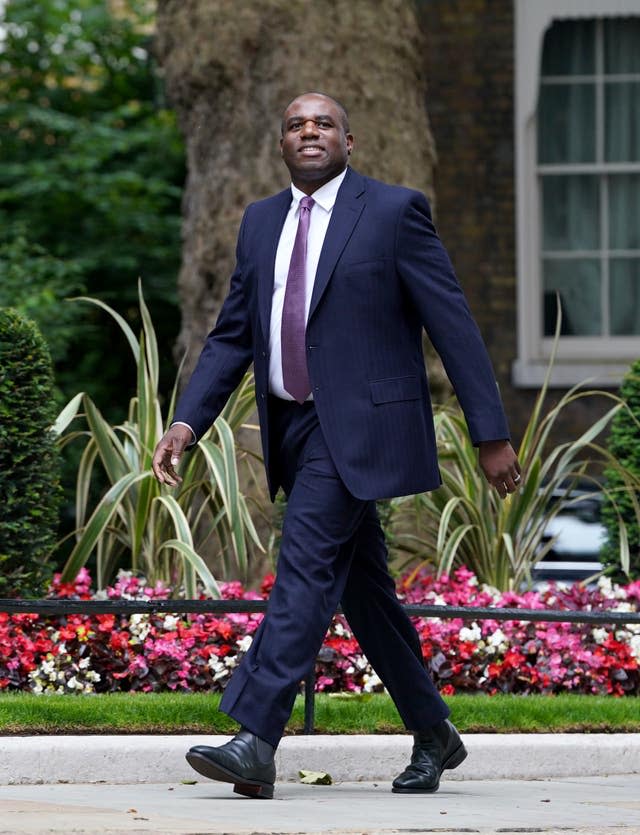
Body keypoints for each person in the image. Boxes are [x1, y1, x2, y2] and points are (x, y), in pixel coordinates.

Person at [152, 92, 521, 799]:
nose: (309, 131)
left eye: (323, 122)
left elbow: (453, 322)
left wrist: (490, 432)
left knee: (303, 566)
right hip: (294, 426)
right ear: (282, 144)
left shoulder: (392, 212)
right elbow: (234, 334)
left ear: (349, 140)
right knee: (364, 593)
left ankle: (255, 739)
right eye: (296, 124)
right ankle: (435, 731)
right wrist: (187, 422)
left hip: (361, 428)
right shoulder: (261, 222)